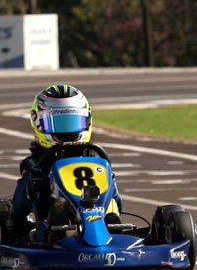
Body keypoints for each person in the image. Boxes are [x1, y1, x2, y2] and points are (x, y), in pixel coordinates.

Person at [10, 84, 122, 240]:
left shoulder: (96, 159)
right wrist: (31, 187)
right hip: (49, 226)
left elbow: (118, 202)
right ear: (37, 123)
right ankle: (61, 224)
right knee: (49, 220)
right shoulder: (34, 164)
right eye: (59, 124)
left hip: (96, 214)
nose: (68, 132)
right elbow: (18, 210)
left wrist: (110, 184)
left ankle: (110, 223)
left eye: (73, 122)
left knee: (110, 202)